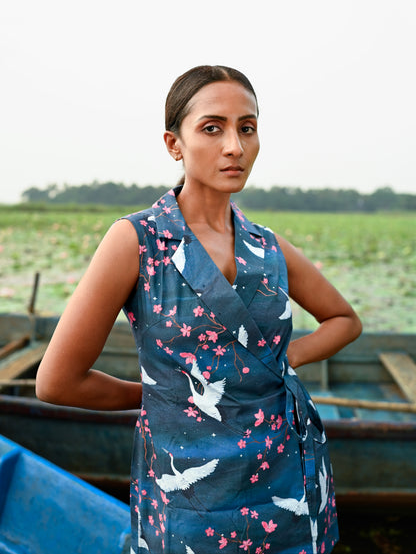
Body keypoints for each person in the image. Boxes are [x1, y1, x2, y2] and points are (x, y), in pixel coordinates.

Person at [36, 65, 362, 554]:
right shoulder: (138, 241)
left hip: (288, 476)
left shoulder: (268, 246)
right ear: (174, 143)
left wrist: (284, 360)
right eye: (213, 128)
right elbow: (57, 381)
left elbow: (345, 321)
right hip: (190, 496)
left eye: (246, 128)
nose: (234, 146)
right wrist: (162, 394)